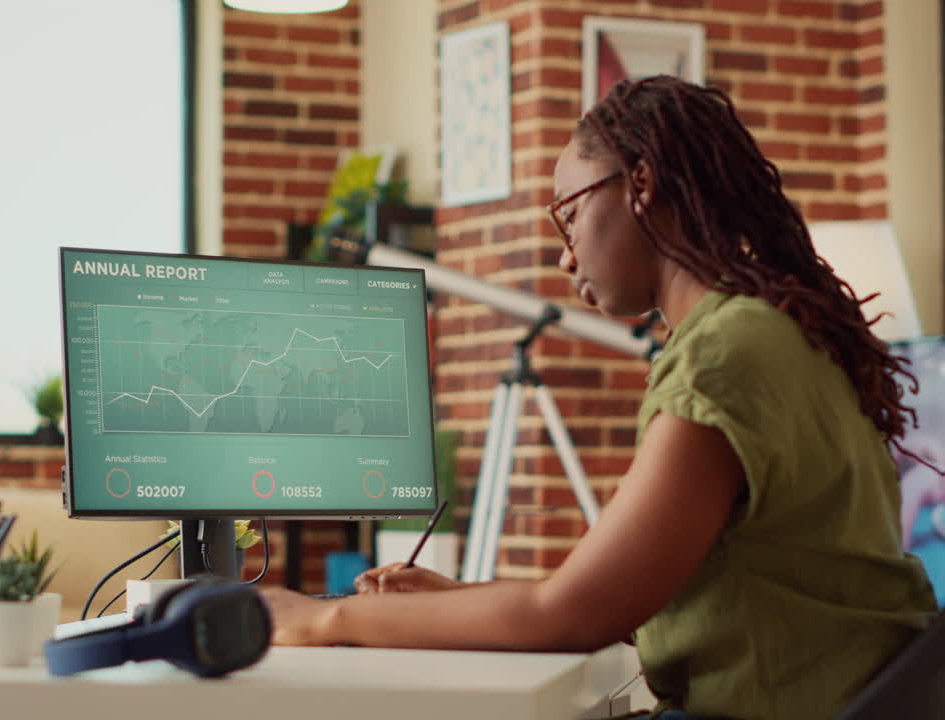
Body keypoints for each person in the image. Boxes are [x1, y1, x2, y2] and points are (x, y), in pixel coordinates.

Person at [261, 76, 939, 720]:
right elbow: (607, 594)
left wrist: (322, 617)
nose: (565, 256)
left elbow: (573, 617)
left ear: (639, 184)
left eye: (570, 215)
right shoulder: (773, 331)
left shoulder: (727, 354)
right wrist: (459, 600)